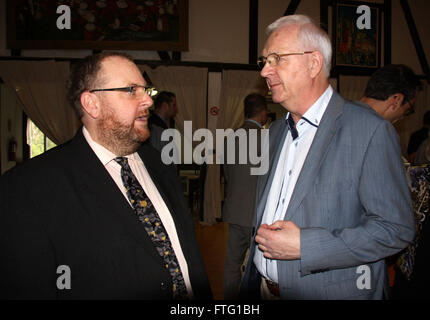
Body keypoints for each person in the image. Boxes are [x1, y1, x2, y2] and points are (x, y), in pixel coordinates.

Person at [0, 52, 212, 300]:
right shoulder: (28, 187)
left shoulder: (160, 164)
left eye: (147, 90)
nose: (148, 101)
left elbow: (189, 258)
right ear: (92, 104)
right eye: (132, 90)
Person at [240, 14, 415, 300]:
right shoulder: (274, 132)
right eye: (264, 61)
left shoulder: (369, 131)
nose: (264, 71)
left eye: (276, 59)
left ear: (314, 63)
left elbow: (395, 229)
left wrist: (306, 245)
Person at [222, 93, 268, 300]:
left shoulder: (231, 137)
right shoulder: (267, 139)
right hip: (259, 214)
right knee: (259, 266)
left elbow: (227, 174)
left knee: (232, 263)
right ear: (264, 112)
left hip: (235, 210)